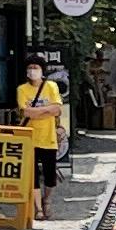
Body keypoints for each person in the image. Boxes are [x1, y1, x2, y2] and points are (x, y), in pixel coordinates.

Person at [16, 55, 68, 202]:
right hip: (28, 138)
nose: (32, 70)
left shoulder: (51, 86)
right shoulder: (22, 89)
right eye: (30, 68)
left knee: (50, 175)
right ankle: (38, 207)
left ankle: (46, 200)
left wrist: (35, 112)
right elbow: (25, 112)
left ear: (42, 70)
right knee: (32, 176)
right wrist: (47, 110)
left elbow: (57, 110)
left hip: (48, 138)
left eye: (36, 67)